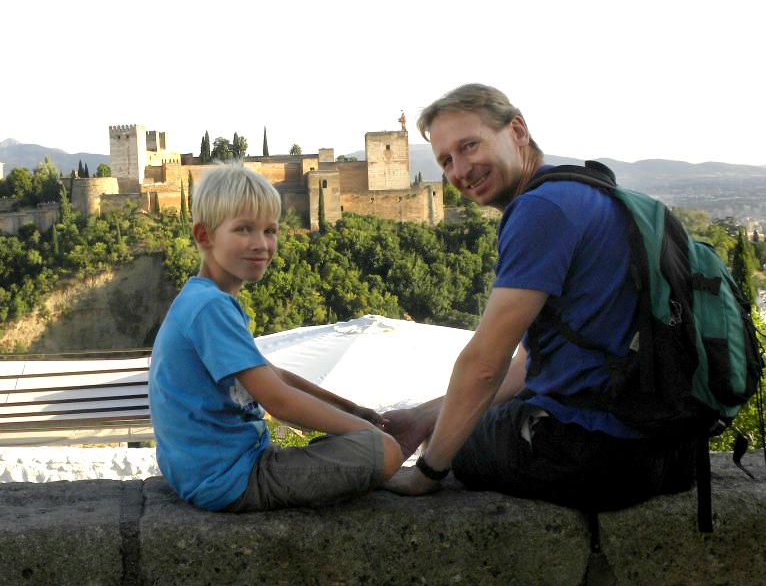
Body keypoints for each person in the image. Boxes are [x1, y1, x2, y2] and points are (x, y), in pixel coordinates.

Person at [382, 84, 695, 511]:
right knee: (449, 426)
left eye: (469, 145)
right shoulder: (585, 190)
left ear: (518, 130)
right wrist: (422, 417)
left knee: (452, 442)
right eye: (446, 161)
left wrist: (427, 474)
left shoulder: (540, 211)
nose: (460, 170)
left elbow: (485, 365)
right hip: (667, 449)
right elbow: (526, 367)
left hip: (595, 453)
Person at [149, 162, 403, 512]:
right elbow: (279, 402)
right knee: (387, 450)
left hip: (213, 470)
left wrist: (351, 409)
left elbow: (276, 376)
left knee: (377, 437)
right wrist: (369, 434)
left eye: (270, 230)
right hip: (230, 478)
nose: (261, 244)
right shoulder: (210, 308)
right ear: (204, 236)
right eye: (244, 229)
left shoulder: (204, 299)